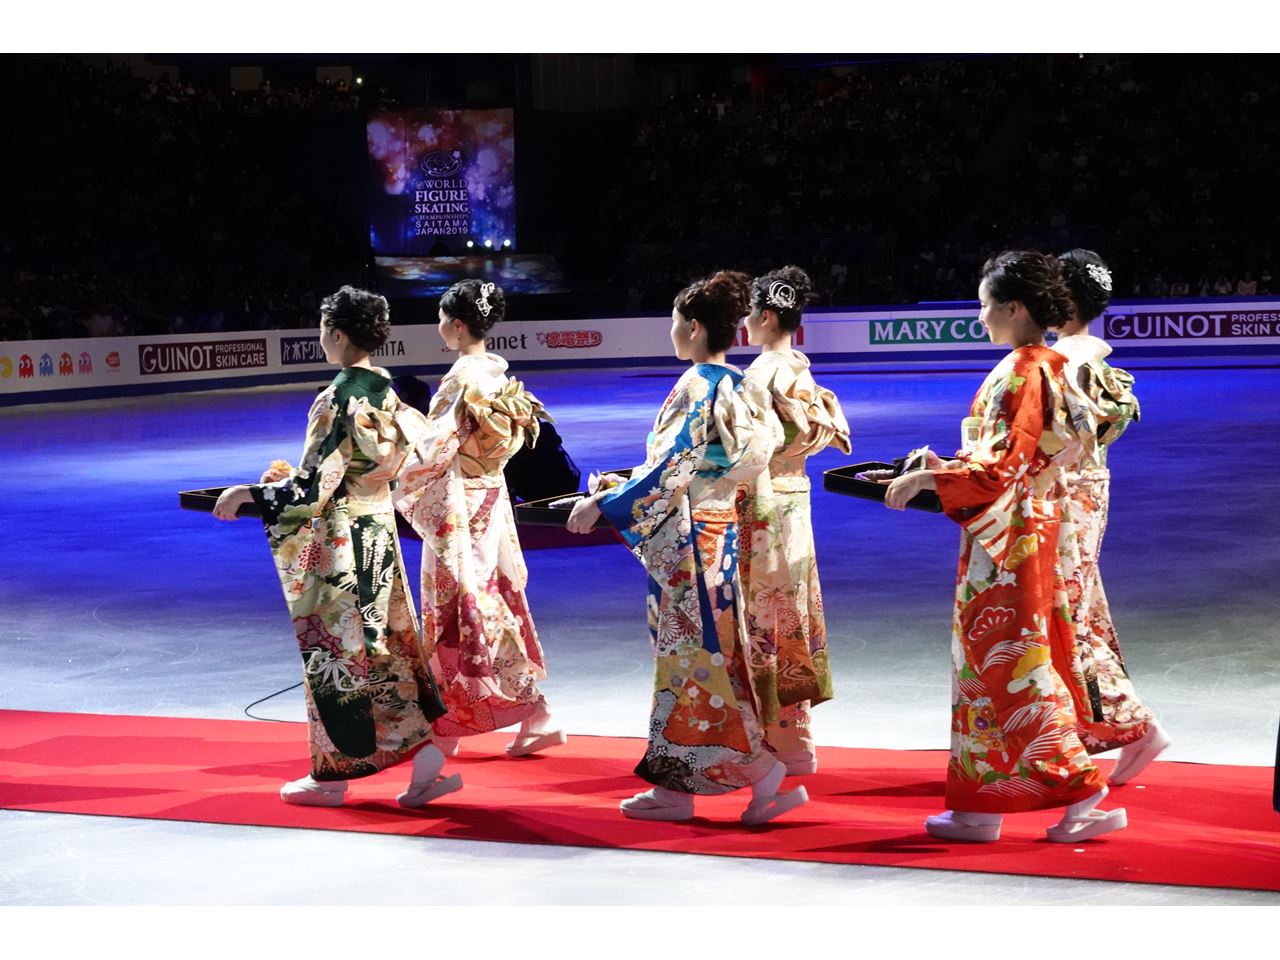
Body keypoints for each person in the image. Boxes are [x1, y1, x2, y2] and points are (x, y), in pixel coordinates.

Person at [884, 251, 1126, 843]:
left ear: (1014, 307)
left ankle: (1081, 793)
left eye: (985, 303)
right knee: (995, 661)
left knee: (1010, 663)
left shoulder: (1024, 369)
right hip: (1025, 527)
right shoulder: (1043, 365)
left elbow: (1002, 465)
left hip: (1010, 536)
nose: (981, 315)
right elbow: (1010, 456)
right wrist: (943, 467)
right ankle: (980, 804)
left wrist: (931, 481)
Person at [566, 271, 808, 826]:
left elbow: (672, 464)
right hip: (719, 529)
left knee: (694, 660)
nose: (672, 331)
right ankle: (677, 783)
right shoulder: (739, 383)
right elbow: (711, 463)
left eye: (675, 322)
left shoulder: (699, 385)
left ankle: (759, 775)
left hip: (692, 536)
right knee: (701, 657)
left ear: (694, 327)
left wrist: (605, 504)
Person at [213, 286, 457, 809]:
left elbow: (313, 487)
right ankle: (421, 757)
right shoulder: (388, 393)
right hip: (378, 534)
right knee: (383, 650)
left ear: (337, 333)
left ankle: (329, 777)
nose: (321, 337)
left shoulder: (337, 398)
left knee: (335, 655)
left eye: (324, 329)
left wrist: (251, 493)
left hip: (342, 543)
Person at [394, 280, 565, 759]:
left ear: (457, 324)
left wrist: (395, 482)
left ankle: (447, 726)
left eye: (442, 317)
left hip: (461, 504)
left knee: (460, 604)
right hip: (490, 493)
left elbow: (434, 449)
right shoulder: (496, 374)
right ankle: (536, 710)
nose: (440, 326)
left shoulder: (462, 378)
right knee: (489, 597)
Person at [1054, 250, 1168, 782]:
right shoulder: (1086, 359)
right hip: (1088, 488)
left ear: (1067, 299)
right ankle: (1086, 726)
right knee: (1079, 606)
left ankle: (1138, 725)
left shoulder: (1066, 362)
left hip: (1065, 492)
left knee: (1064, 613)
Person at [738, 266, 851, 775]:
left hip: (762, 500)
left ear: (765, 316)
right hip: (796, 495)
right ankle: (796, 734)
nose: (744, 323)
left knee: (762, 611)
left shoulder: (759, 376)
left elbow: (744, 448)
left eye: (749, 314)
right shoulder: (800, 371)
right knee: (792, 608)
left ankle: (776, 738)